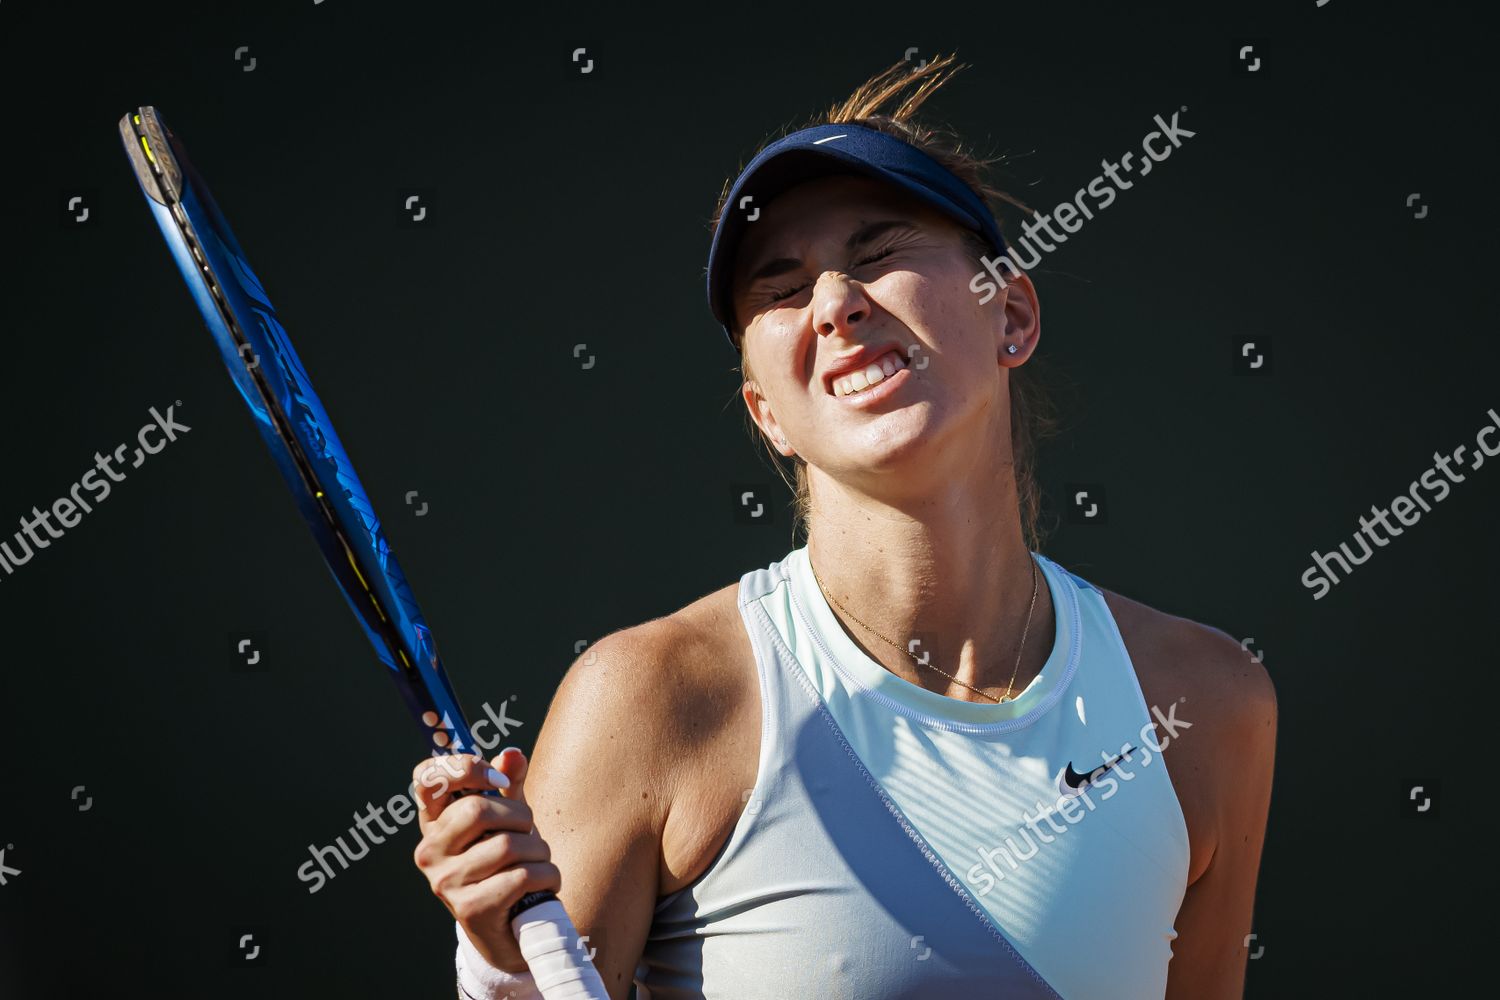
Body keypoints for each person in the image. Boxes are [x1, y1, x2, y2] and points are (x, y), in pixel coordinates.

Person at [413, 55, 1277, 1000]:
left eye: (877, 255)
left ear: (1012, 315)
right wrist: (500, 970)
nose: (834, 304)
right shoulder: (650, 698)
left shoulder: (1210, 704)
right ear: (766, 413)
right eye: (782, 290)